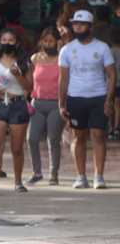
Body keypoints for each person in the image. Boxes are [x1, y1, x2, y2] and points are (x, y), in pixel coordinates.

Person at [59, 10, 116, 189]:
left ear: (90, 27)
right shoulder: (67, 50)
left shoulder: (102, 48)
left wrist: (109, 100)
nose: (78, 27)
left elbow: (112, 75)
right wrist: (61, 103)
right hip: (75, 98)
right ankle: (80, 176)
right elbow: (63, 78)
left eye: (82, 24)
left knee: (99, 136)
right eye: (75, 24)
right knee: (78, 136)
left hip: (98, 97)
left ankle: (98, 176)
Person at [0, 28, 33, 195]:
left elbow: (29, 87)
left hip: (17, 103)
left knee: (17, 148)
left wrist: (18, 75)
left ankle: (18, 181)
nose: (7, 43)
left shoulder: (24, 62)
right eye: (4, 40)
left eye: (11, 40)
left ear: (17, 43)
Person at [28, 27, 64, 186]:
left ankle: (53, 173)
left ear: (57, 42)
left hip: (56, 103)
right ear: (41, 42)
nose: (48, 44)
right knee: (31, 138)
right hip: (37, 102)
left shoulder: (62, 58)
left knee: (53, 138)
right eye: (46, 41)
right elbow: (29, 81)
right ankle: (37, 172)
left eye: (51, 41)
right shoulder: (35, 58)